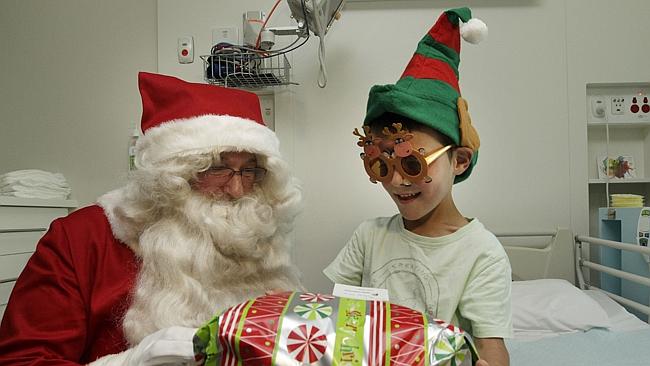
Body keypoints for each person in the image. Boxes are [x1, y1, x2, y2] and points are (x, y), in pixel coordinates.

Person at [0, 72, 303, 365]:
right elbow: (22, 359)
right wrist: (128, 363)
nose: (238, 189)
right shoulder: (83, 238)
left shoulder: (258, 236)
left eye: (249, 171)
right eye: (217, 168)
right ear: (172, 176)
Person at [323, 7, 512, 366]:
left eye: (413, 163)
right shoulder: (369, 238)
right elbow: (335, 319)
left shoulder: (481, 253)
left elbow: (491, 347)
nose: (396, 181)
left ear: (459, 160)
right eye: (381, 165)